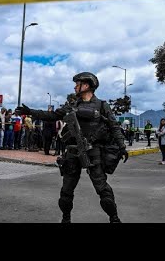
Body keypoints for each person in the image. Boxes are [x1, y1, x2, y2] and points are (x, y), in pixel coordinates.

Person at [17, 72, 128, 223]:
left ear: (86, 86)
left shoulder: (102, 105)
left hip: (93, 151)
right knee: (66, 191)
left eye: (78, 84)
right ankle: (66, 218)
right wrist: (30, 112)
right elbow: (51, 115)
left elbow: (114, 126)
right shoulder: (72, 106)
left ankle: (114, 219)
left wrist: (122, 146)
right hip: (73, 152)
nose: (75, 87)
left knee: (103, 189)